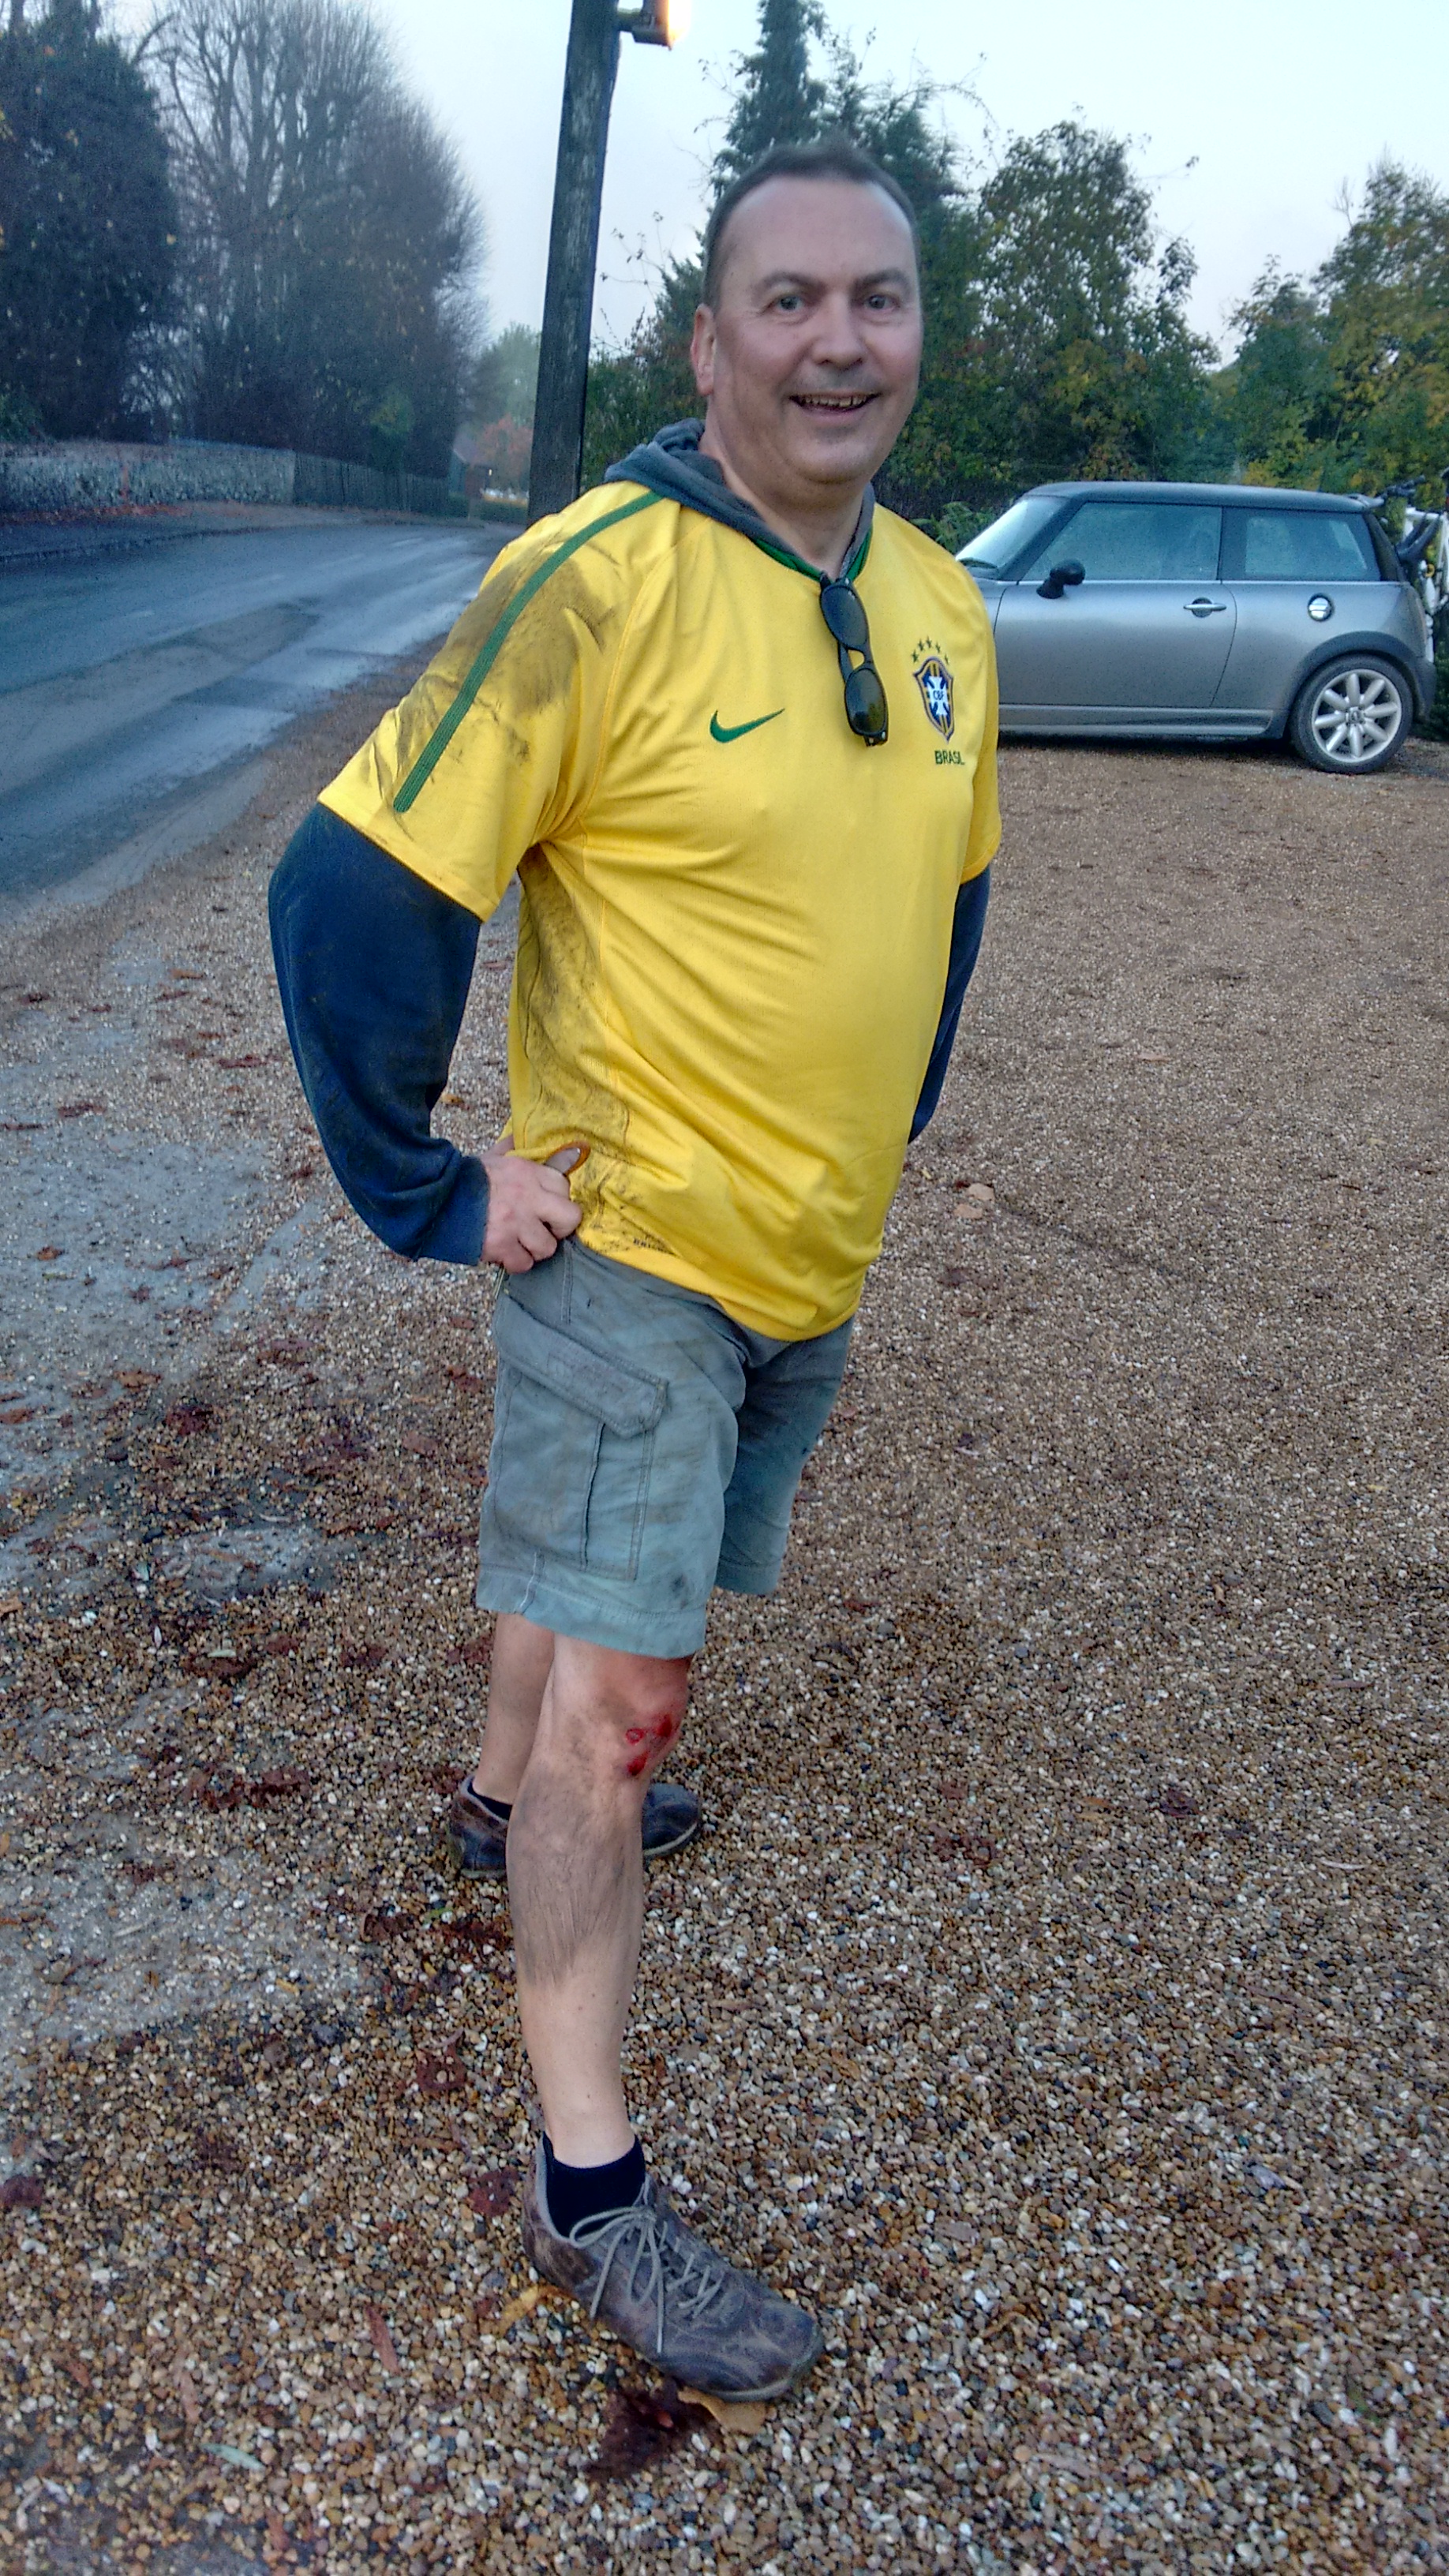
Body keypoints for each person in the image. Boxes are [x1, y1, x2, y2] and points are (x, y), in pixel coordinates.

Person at [269, 139, 998, 2402]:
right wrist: (425, 1185)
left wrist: (883, 1114)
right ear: (710, 341)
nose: (837, 342)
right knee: (631, 1701)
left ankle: (494, 1803)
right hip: (636, 1253)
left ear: (913, 333)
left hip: (808, 1257)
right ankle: (589, 2192)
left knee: (594, 1615)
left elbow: (949, 886)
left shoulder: (943, 608)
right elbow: (351, 882)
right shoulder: (595, 581)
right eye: (788, 300)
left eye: (876, 299)